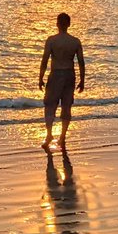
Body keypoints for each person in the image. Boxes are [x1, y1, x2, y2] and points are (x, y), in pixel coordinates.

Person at [38, 12, 85, 151]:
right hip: (69, 75)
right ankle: (62, 136)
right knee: (66, 106)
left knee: (50, 105)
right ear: (69, 24)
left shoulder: (51, 40)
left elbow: (45, 60)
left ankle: (49, 135)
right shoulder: (75, 41)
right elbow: (81, 63)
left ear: (57, 24)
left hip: (56, 74)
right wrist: (83, 80)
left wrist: (40, 78)